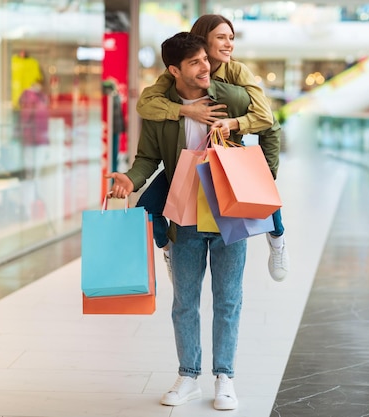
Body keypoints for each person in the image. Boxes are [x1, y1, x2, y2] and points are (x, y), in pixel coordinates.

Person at [106, 31, 280, 411]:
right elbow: (146, 161)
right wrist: (129, 180)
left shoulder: (231, 97)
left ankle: (225, 378)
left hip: (229, 212)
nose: (207, 67)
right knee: (184, 301)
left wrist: (268, 173)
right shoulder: (161, 111)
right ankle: (188, 375)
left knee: (228, 299)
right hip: (183, 213)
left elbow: (269, 126)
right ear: (174, 70)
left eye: (207, 59)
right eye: (196, 62)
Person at [136, 14, 289, 282]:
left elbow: (267, 120)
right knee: (147, 207)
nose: (229, 44)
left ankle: (278, 242)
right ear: (202, 40)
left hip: (226, 154)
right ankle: (168, 250)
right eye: (221, 37)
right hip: (185, 161)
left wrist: (235, 124)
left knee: (263, 192)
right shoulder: (176, 72)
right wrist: (186, 110)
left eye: (231, 37)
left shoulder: (236, 73)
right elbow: (145, 104)